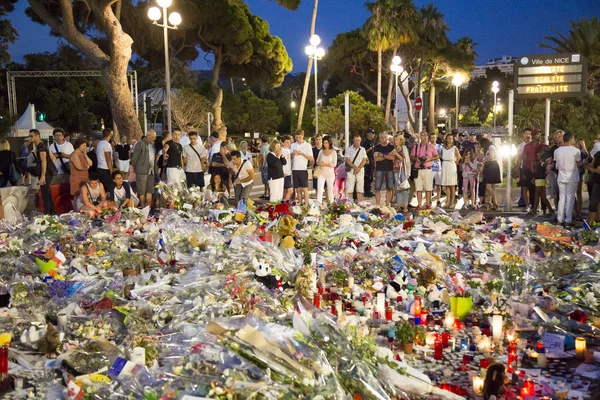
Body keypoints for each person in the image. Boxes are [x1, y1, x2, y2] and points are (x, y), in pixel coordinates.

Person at [554, 132, 582, 226]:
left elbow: (556, 165)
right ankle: (568, 220)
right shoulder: (576, 151)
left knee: (562, 198)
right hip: (572, 177)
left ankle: (559, 219)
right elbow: (579, 163)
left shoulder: (557, 151)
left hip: (561, 176)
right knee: (570, 198)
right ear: (570, 140)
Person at [29, 129, 56, 214]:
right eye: (29, 136)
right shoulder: (40, 146)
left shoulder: (41, 147)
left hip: (46, 174)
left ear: (38, 136)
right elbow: (50, 157)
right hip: (46, 173)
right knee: (47, 195)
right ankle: (52, 214)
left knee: (45, 196)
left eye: (31, 136)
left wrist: (43, 176)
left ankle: (47, 215)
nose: (30, 138)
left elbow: (44, 161)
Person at [410, 131, 439, 210]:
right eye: (423, 135)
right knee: (418, 188)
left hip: (427, 169)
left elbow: (437, 156)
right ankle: (419, 204)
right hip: (418, 169)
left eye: (426, 135)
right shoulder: (416, 146)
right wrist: (417, 159)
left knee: (428, 188)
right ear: (420, 137)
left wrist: (429, 158)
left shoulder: (430, 146)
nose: (425, 137)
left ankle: (427, 204)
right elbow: (411, 156)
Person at [130, 129, 157, 208]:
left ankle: (148, 208)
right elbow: (134, 158)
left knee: (150, 190)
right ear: (148, 136)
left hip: (151, 171)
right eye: (153, 137)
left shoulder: (152, 145)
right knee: (141, 191)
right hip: (141, 171)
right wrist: (137, 168)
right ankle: (142, 206)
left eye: (155, 137)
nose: (154, 139)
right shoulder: (140, 144)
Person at [521, 129, 543, 212]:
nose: (539, 135)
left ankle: (540, 206)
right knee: (531, 189)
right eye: (538, 134)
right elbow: (524, 158)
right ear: (533, 136)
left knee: (540, 189)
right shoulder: (527, 146)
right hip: (528, 170)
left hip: (539, 171)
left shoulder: (542, 145)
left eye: (540, 134)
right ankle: (533, 206)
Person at [290, 129, 314, 204]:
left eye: (299, 137)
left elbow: (311, 158)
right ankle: (299, 203)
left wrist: (302, 154)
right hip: (295, 169)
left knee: (304, 188)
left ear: (303, 136)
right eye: (296, 137)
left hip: (303, 169)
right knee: (297, 189)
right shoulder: (293, 145)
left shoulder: (307, 145)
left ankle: (306, 204)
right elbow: (291, 158)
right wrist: (293, 154)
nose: (298, 139)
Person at [373, 132, 396, 206]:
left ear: (387, 138)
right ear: (379, 139)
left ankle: (387, 205)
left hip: (389, 169)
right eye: (381, 137)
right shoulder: (377, 147)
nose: (383, 139)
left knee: (389, 188)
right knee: (377, 188)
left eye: (384, 137)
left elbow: (393, 158)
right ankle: (377, 205)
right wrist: (387, 155)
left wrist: (382, 155)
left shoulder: (391, 147)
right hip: (379, 169)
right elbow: (376, 159)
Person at [345, 133, 368, 203]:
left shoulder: (362, 149)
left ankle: (360, 204)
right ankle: (350, 204)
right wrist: (355, 168)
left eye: (359, 140)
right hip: (351, 170)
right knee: (350, 188)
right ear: (353, 141)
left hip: (360, 170)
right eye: (356, 140)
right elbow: (347, 160)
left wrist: (359, 168)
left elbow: (364, 160)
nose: (357, 142)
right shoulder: (348, 149)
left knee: (360, 189)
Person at [531, 148, 554, 216]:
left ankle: (534, 210)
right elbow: (533, 171)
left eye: (539, 155)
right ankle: (551, 210)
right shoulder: (536, 162)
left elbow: (544, 169)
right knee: (543, 197)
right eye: (537, 155)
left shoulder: (543, 162)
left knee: (537, 195)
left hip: (541, 179)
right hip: (538, 179)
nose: (538, 157)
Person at [545, 130, 564, 211]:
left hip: (565, 174)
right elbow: (549, 159)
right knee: (556, 194)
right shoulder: (554, 148)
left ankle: (574, 213)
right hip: (555, 173)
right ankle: (558, 212)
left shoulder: (568, 147)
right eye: (555, 137)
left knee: (568, 195)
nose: (557, 139)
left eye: (559, 137)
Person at [440, 134, 461, 209]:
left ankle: (452, 201)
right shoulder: (443, 148)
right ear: (446, 139)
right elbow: (441, 156)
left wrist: (455, 163)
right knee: (447, 185)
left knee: (452, 185)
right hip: (445, 165)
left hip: (451, 165)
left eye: (452, 138)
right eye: (449, 138)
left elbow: (458, 157)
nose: (450, 140)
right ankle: (447, 201)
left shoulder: (454, 148)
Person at [315, 136, 337, 204]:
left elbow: (334, 164)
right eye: (324, 143)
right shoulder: (321, 151)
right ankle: (319, 204)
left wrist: (325, 164)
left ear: (329, 143)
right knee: (320, 189)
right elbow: (317, 161)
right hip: (321, 173)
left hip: (330, 174)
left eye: (326, 143)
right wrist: (319, 163)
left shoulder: (333, 152)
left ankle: (331, 204)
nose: (325, 144)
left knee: (330, 190)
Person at [480, 138, 501, 210]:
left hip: (492, 166)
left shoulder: (491, 147)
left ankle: (495, 203)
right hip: (489, 166)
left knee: (488, 187)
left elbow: (491, 156)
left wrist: (484, 161)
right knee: (489, 187)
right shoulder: (488, 149)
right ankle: (490, 203)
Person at [393, 134, 411, 212]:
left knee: (404, 188)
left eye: (397, 139)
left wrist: (408, 172)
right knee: (398, 189)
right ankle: (399, 205)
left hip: (403, 170)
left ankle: (406, 206)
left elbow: (405, 159)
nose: (395, 141)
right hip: (395, 170)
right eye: (394, 140)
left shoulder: (404, 148)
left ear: (400, 140)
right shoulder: (393, 148)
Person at [515, 129, 532, 208]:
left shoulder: (535, 145)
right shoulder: (521, 146)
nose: (528, 135)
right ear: (523, 135)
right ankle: (526, 204)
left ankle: (534, 204)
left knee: (533, 187)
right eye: (526, 133)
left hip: (533, 169)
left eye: (529, 133)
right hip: (524, 169)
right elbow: (518, 158)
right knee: (524, 187)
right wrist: (517, 170)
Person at [586, 146, 600, 225]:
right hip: (596, 182)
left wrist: (594, 170)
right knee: (593, 205)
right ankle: (590, 225)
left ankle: (596, 222)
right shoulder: (598, 154)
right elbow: (591, 165)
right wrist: (588, 166)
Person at [575, 138, 589, 219]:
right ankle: (575, 210)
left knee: (579, 193)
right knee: (572, 194)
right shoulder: (574, 152)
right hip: (573, 175)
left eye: (581, 144)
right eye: (578, 144)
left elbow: (587, 155)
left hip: (580, 174)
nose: (579, 145)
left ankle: (579, 211)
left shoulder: (583, 154)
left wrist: (583, 146)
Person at [430, 133, 444, 203]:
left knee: (438, 184)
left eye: (434, 137)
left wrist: (433, 157)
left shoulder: (440, 146)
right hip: (430, 167)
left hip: (438, 167)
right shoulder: (428, 146)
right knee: (429, 185)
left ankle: (438, 199)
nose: (433, 139)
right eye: (432, 137)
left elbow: (441, 155)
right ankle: (428, 199)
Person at [362, 129, 376, 197]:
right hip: (367, 160)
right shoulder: (365, 142)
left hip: (372, 159)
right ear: (369, 134)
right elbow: (363, 152)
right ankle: (366, 191)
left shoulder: (372, 142)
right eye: (372, 133)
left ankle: (369, 190)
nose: (373, 135)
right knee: (368, 175)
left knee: (371, 176)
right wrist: (369, 149)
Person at [281, 135, 293, 201]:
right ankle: (284, 204)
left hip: (288, 172)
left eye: (289, 142)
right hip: (284, 172)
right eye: (286, 142)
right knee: (290, 190)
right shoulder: (282, 150)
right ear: (283, 142)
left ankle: (284, 203)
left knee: (286, 190)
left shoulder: (289, 150)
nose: (288, 144)